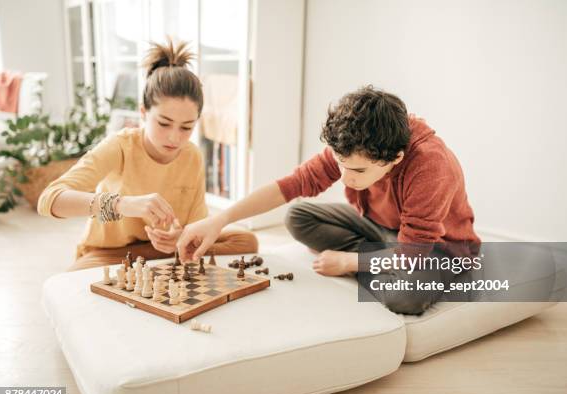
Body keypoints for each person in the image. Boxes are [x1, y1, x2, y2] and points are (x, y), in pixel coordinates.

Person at [176, 85, 480, 314]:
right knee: (297, 217)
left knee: (406, 297)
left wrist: (349, 262)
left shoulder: (431, 165)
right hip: (382, 230)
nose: (346, 179)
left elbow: (414, 251)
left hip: (438, 250)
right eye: (340, 164)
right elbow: (294, 184)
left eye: (358, 171)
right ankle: (379, 261)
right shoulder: (355, 140)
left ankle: (370, 264)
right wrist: (221, 219)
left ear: (395, 158)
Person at [37, 39, 257, 271]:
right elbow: (49, 199)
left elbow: (197, 226)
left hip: (167, 250)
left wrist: (179, 236)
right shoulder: (120, 146)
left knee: (245, 240)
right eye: (164, 123)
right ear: (143, 113)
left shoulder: (192, 156)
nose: (174, 138)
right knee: (76, 275)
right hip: (113, 254)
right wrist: (121, 204)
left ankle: (158, 265)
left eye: (186, 127)